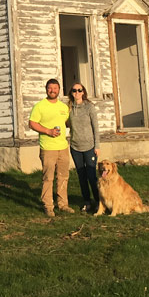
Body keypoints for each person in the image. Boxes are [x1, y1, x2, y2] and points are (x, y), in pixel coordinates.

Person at [29, 78, 73, 217]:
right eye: (50, 88)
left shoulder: (63, 107)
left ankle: (63, 204)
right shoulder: (40, 106)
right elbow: (32, 123)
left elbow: (67, 122)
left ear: (59, 90)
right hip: (48, 148)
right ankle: (48, 206)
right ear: (46, 89)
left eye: (55, 88)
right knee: (48, 177)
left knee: (63, 176)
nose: (52, 90)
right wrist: (48, 131)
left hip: (63, 147)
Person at [67, 82, 100, 213]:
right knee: (81, 176)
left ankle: (98, 201)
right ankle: (87, 201)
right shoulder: (68, 108)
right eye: (74, 90)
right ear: (71, 93)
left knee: (91, 175)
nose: (77, 93)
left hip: (90, 146)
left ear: (83, 92)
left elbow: (96, 128)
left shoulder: (89, 107)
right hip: (75, 147)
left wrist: (97, 146)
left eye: (79, 90)